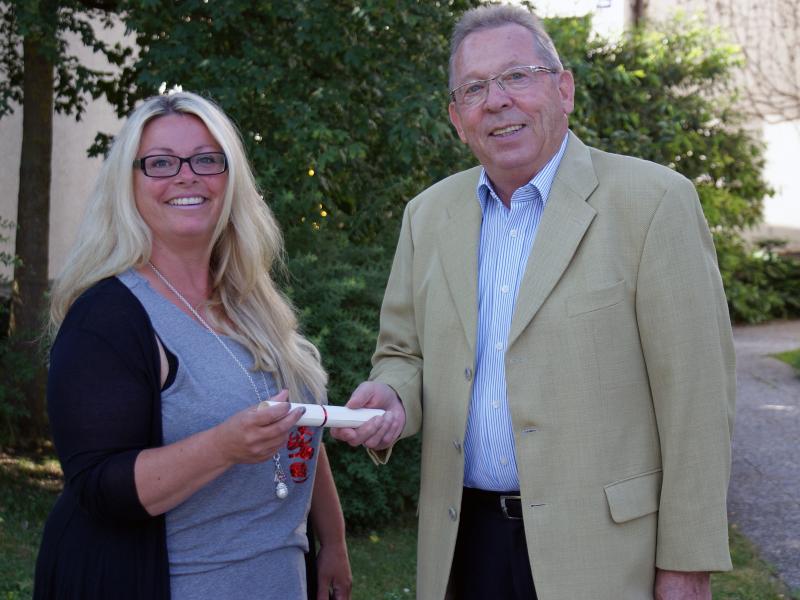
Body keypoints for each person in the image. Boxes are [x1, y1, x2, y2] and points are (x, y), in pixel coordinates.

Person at [331, 5, 735, 600]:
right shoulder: (428, 216)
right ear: (456, 118)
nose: (496, 101)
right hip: (460, 548)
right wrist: (390, 394)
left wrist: (686, 563)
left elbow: (698, 401)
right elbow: (402, 353)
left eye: (517, 76)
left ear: (564, 89)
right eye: (473, 88)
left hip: (603, 553)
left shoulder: (653, 202)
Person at [34, 91, 352, 600]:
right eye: (161, 163)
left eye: (207, 160)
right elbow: (98, 486)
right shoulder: (107, 318)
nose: (186, 175)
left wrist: (332, 538)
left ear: (231, 180)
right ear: (128, 184)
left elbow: (295, 423)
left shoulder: (250, 300)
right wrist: (223, 447)